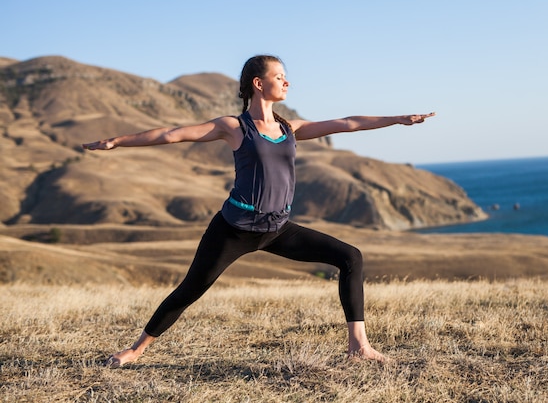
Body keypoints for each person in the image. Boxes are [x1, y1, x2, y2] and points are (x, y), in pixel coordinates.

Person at [83, 55, 436, 366]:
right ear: (258, 83)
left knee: (350, 257)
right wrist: (118, 141)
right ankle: (137, 349)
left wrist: (397, 118)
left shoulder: (289, 128)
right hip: (234, 229)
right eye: (280, 76)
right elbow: (174, 134)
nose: (287, 82)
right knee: (191, 288)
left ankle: (358, 347)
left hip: (278, 228)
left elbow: (346, 123)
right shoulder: (234, 127)